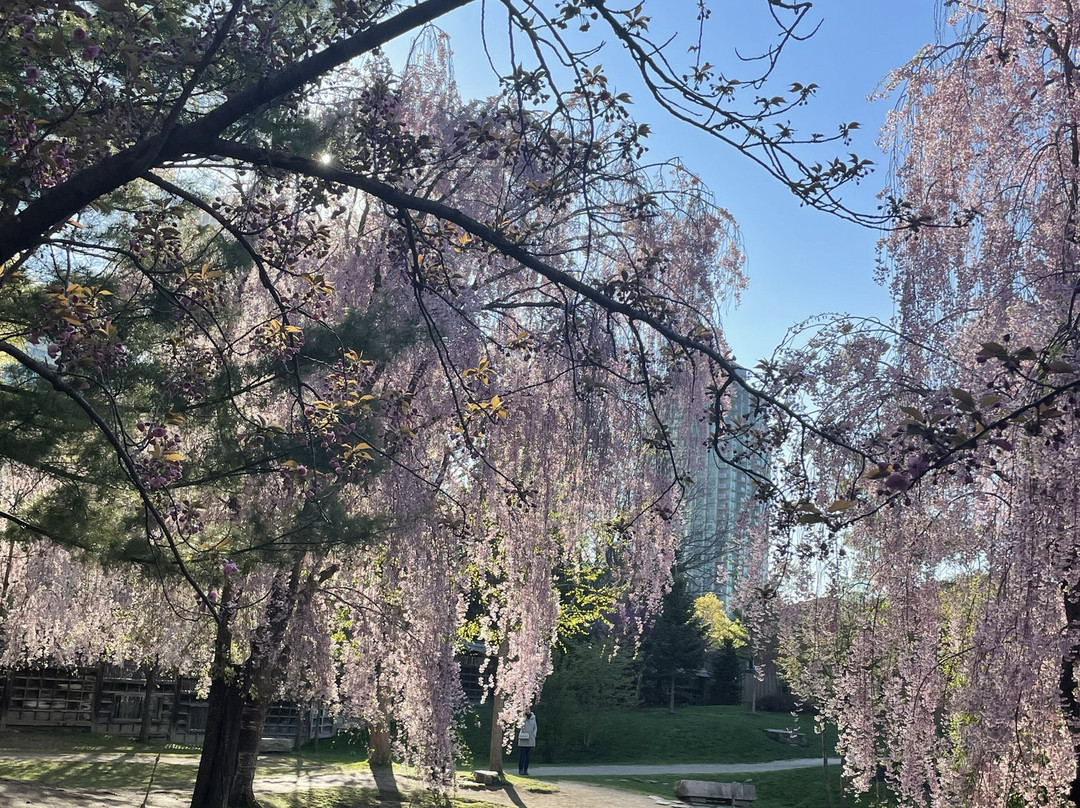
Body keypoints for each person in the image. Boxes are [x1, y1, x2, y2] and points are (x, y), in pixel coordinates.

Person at [517, 707, 537, 775]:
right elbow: (519, 725)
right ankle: (520, 770)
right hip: (523, 738)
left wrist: (534, 734)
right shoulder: (522, 717)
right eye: (526, 709)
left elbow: (535, 727)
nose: (527, 711)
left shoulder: (533, 717)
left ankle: (526, 770)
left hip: (530, 738)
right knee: (522, 755)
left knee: (528, 756)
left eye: (528, 709)